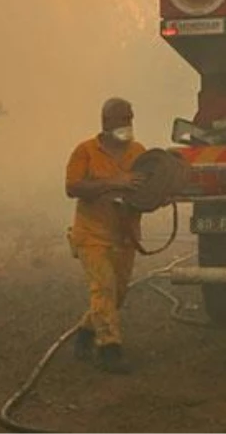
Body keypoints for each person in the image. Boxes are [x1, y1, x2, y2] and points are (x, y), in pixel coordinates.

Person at [64, 97, 147, 374]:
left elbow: (149, 189)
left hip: (125, 236)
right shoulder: (85, 152)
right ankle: (109, 350)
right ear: (107, 122)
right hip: (92, 235)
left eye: (130, 118)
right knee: (104, 289)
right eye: (123, 119)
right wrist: (114, 182)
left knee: (117, 295)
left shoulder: (139, 153)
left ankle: (87, 332)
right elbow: (73, 187)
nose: (128, 124)